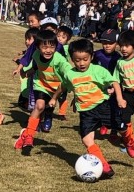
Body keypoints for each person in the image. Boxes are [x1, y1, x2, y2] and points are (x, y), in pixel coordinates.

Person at [49, 38, 127, 178]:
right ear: (72, 60)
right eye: (77, 60)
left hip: (103, 107)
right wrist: (54, 98)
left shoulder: (98, 70)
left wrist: (120, 98)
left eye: (85, 59)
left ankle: (129, 140)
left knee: (121, 127)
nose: (81, 63)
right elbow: (63, 86)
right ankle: (105, 167)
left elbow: (114, 82)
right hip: (86, 113)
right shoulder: (70, 74)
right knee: (86, 140)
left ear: (91, 57)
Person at [14, 30, 71, 149]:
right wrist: (27, 72)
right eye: (44, 47)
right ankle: (29, 135)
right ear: (38, 47)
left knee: (48, 108)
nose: (48, 50)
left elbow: (69, 72)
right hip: (41, 85)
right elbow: (36, 66)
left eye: (52, 47)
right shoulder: (35, 55)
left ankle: (24, 134)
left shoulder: (59, 59)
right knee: (39, 106)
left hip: (56, 89)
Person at [92, 28, 121, 139]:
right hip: (100, 87)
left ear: (116, 44)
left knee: (115, 108)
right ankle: (103, 124)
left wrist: (114, 88)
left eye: (110, 43)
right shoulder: (97, 55)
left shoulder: (118, 58)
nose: (107, 45)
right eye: (104, 43)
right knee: (101, 106)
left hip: (114, 87)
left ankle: (114, 130)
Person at [13, 27, 40, 110]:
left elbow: (28, 63)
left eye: (29, 39)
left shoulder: (38, 51)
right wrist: (18, 68)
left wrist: (18, 61)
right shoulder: (31, 50)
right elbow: (25, 60)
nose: (26, 41)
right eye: (26, 39)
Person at [56, 25, 73, 120]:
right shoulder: (54, 46)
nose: (59, 39)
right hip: (55, 74)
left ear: (68, 39)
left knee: (62, 95)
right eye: (58, 36)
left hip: (62, 75)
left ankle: (62, 113)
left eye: (63, 37)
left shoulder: (66, 48)